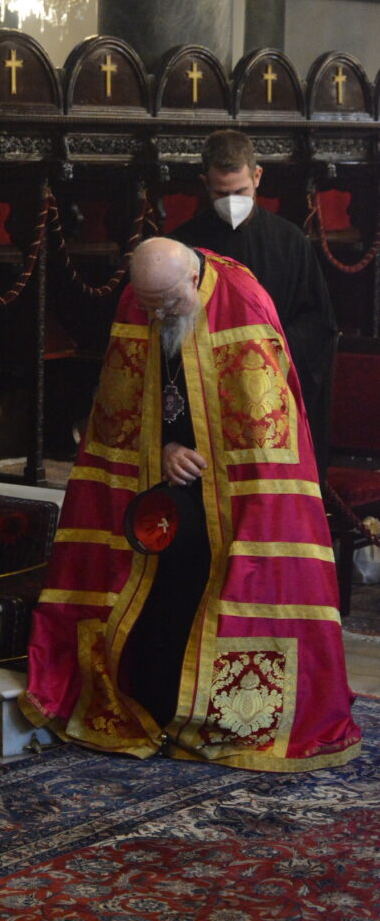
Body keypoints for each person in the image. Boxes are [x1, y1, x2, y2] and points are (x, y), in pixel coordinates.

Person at [19, 237, 361, 772]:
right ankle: (157, 708)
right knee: (154, 591)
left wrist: (208, 460)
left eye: (170, 304)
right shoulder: (140, 299)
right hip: (163, 489)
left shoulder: (242, 300)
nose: (158, 315)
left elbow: (262, 422)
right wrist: (161, 450)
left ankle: (215, 717)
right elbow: (122, 405)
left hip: (234, 497)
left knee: (218, 583)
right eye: (149, 305)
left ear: (193, 280)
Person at [172, 129, 336, 479]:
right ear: (204, 183)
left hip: (273, 390)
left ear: (257, 176)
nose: (232, 202)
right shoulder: (182, 246)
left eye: (241, 191)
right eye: (221, 193)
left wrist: (266, 349)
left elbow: (317, 322)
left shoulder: (290, 241)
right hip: (209, 395)